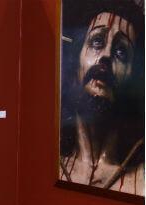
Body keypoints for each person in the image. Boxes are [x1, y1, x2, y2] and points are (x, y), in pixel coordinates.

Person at [60, 0, 145, 195]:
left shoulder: (140, 179)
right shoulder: (52, 162)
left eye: (121, 51)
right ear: (77, 62)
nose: (106, 55)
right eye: (97, 41)